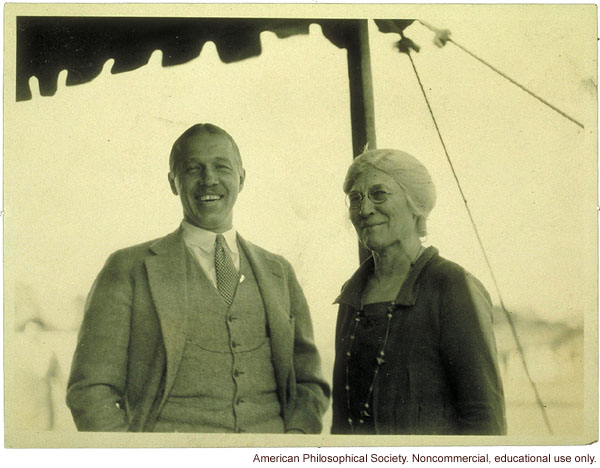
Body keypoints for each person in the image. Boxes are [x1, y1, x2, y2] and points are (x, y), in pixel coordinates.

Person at [66, 123, 330, 433]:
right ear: (173, 182)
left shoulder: (279, 272)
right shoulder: (128, 269)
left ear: (242, 178)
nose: (209, 180)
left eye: (222, 167)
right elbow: (90, 390)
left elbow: (309, 384)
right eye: (193, 169)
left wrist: (292, 445)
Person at [331, 149, 506, 435]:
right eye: (356, 198)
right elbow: (341, 421)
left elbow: (483, 416)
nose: (364, 210)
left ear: (416, 205)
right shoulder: (351, 295)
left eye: (379, 194)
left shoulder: (451, 285)